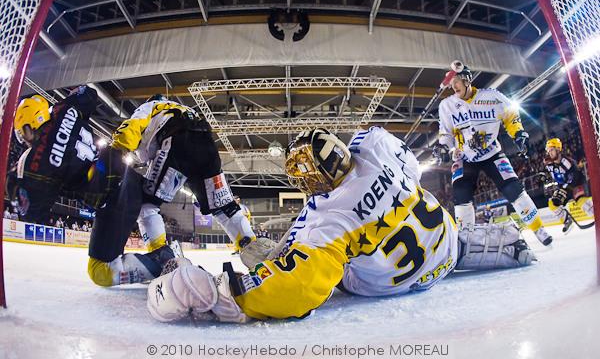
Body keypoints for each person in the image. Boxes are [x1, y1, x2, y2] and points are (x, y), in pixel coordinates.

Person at [145, 127, 536, 323]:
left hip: (388, 285)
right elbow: (412, 170)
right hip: (446, 245)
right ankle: (501, 246)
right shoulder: (374, 143)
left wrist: (229, 295)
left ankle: (272, 260)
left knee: (332, 266)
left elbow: (299, 289)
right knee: (423, 217)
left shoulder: (326, 222)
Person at [8, 87, 174, 287]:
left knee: (100, 271)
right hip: (127, 174)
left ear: (31, 123)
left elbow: (32, 212)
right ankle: (164, 252)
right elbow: (89, 93)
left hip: (112, 195)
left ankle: (164, 262)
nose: (24, 139)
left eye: (22, 132)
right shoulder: (65, 109)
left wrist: (12, 184)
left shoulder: (37, 160)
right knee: (146, 209)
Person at [109, 94, 255, 274]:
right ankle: (254, 250)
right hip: (208, 147)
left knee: (147, 204)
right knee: (224, 207)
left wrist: (113, 154)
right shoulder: (183, 109)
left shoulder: (151, 106)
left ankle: (161, 257)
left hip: (177, 144)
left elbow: (129, 130)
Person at [433, 60, 552, 246]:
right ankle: (466, 241)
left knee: (514, 189)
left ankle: (539, 229)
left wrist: (519, 134)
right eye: (451, 82)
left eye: (457, 80)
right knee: (461, 195)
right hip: (464, 156)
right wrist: (443, 147)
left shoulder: (492, 97)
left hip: (492, 152)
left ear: (467, 80)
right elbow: (445, 133)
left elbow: (511, 115)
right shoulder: (446, 106)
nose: (453, 85)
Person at [544, 137, 594, 233]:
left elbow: (574, 177)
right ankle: (567, 220)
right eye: (548, 150)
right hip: (566, 187)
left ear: (558, 149)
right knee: (552, 203)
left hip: (577, 184)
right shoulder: (549, 164)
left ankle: (597, 213)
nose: (549, 153)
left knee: (581, 201)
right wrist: (545, 176)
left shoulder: (566, 162)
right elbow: (557, 178)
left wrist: (565, 188)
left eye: (552, 150)